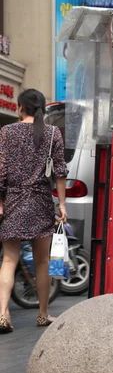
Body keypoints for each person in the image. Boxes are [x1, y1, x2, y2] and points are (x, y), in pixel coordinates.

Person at [0, 89, 68, 334]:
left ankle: (2, 315)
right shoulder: (52, 133)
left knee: (9, 260)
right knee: (43, 261)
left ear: (20, 108)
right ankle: (42, 314)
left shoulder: (7, 132)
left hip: (14, 200)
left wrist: (1, 201)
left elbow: (1, 169)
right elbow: (60, 172)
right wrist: (61, 204)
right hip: (40, 201)